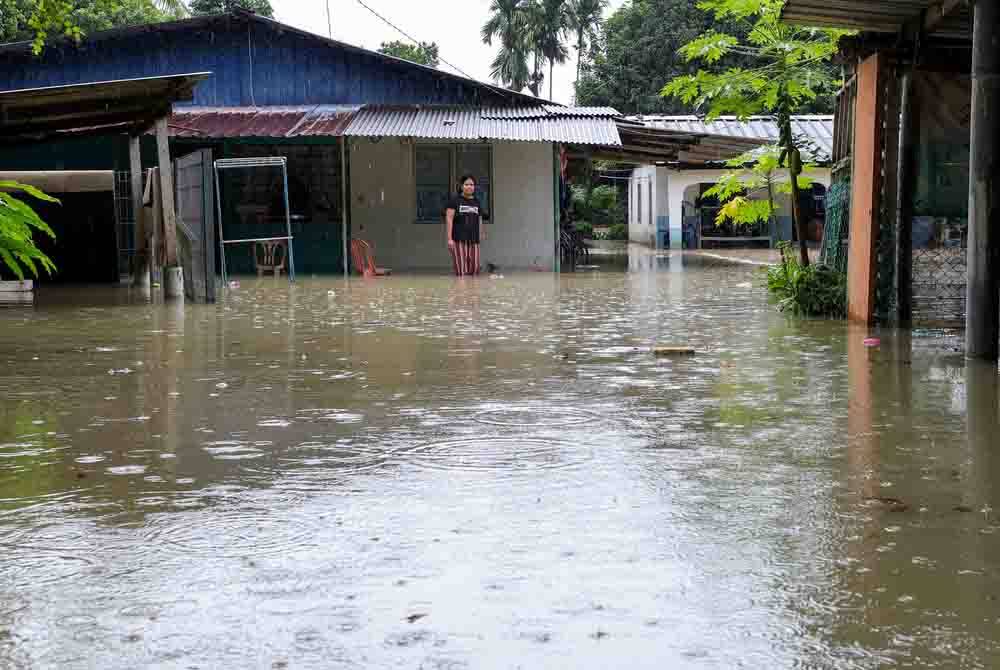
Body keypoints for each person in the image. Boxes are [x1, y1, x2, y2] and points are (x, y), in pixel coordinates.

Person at [445, 175, 489, 276]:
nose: (469, 187)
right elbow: (449, 219)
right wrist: (449, 239)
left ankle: (472, 291)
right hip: (459, 238)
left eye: (472, 185)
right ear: (461, 186)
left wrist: (481, 233)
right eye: (467, 184)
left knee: (475, 268)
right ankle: (461, 290)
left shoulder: (477, 201)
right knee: (461, 270)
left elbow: (479, 218)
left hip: (474, 238)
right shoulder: (454, 201)